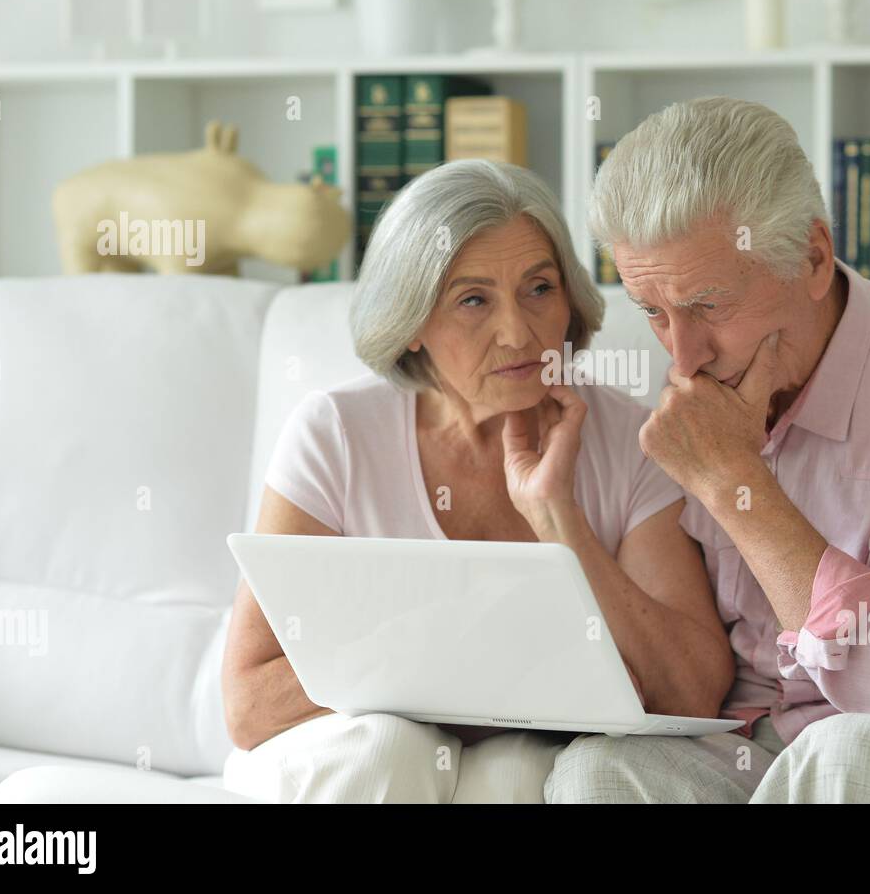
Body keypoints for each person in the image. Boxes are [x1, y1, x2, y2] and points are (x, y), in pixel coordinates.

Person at [544, 97, 870, 803]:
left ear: (813, 258)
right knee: (593, 772)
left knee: (847, 754)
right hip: (758, 738)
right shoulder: (685, 395)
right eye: (652, 311)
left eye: (708, 305)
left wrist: (737, 481)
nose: (683, 352)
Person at [220, 159, 733, 803]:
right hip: (348, 753)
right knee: (388, 749)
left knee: (518, 773)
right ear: (410, 326)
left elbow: (690, 688)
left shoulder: (633, 443)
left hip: (516, 756)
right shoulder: (336, 436)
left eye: (539, 288)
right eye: (473, 300)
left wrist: (559, 521)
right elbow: (249, 704)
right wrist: (453, 655)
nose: (518, 331)